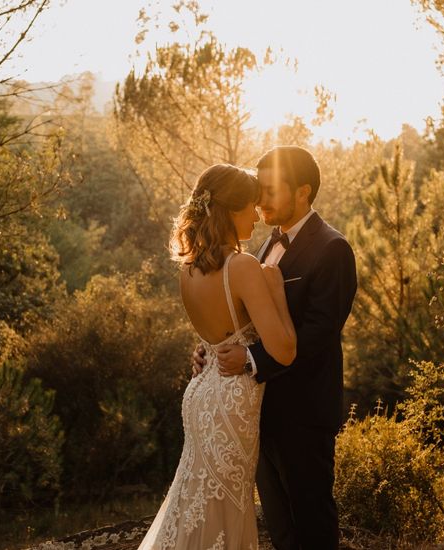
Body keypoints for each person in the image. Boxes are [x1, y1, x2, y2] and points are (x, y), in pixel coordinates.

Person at [193, 146, 358, 550]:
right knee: (281, 528)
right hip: (259, 408)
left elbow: (319, 333)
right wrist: (214, 348)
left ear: (303, 192)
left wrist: (251, 360)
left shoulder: (333, 249)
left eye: (270, 190)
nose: (260, 199)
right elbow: (248, 319)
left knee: (312, 521)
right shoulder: (266, 245)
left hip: (303, 413)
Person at [138, 164, 297, 549]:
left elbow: (212, 337)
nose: (257, 217)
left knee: (196, 498)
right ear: (230, 211)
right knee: (225, 506)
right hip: (231, 400)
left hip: (200, 393)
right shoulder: (243, 267)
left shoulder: (188, 269)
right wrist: (276, 292)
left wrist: (205, 351)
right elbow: (285, 351)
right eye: (251, 208)